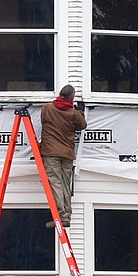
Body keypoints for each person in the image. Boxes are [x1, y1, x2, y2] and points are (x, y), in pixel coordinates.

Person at [39, 84, 86, 227]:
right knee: (65, 184)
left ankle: (61, 214)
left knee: (55, 182)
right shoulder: (74, 114)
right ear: (72, 97)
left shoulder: (47, 109)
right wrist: (81, 112)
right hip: (67, 153)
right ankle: (66, 216)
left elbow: (43, 121)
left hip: (51, 152)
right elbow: (82, 125)